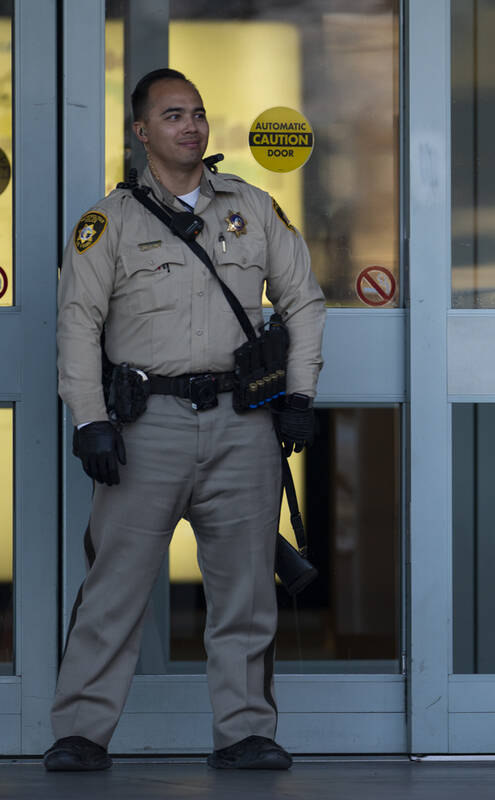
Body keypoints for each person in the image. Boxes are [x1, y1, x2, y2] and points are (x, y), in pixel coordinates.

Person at [46, 68, 325, 771]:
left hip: (242, 423)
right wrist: (89, 420)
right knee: (113, 585)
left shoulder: (254, 207)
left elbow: (305, 304)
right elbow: (78, 324)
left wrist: (297, 397)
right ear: (143, 131)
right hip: (148, 426)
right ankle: (81, 732)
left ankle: (245, 732)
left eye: (198, 113)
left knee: (244, 592)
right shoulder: (108, 221)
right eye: (173, 115)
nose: (191, 125)